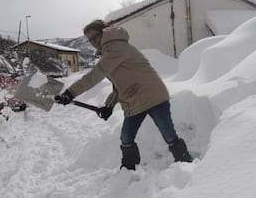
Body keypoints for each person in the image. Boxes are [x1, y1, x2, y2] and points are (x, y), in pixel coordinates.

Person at [55, 20, 193, 170]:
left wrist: (70, 93)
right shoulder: (108, 52)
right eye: (90, 40)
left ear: (104, 32)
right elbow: (117, 87)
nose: (93, 42)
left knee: (168, 134)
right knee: (126, 138)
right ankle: (128, 169)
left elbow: (95, 75)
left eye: (95, 36)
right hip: (134, 101)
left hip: (153, 96)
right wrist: (109, 106)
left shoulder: (115, 47)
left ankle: (185, 163)